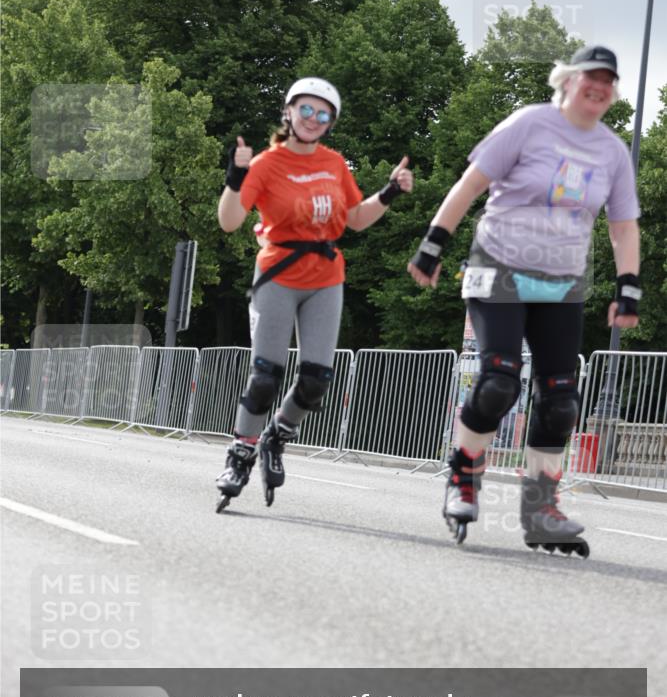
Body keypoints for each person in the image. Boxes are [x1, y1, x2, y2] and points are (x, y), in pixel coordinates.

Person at [408, 46, 641, 554]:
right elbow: (471, 183)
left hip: (562, 282)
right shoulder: (529, 124)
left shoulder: (612, 151)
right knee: (498, 382)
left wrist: (629, 285)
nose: (598, 87)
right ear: (568, 81)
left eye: (608, 80)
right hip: (499, 266)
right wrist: (433, 243)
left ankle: (540, 508)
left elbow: (623, 225)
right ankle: (464, 476)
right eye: (590, 77)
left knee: (560, 401)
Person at [216, 76, 413, 509]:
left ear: (330, 124)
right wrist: (234, 180)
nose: (313, 119)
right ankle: (240, 452)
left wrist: (389, 192)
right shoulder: (267, 164)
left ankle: (277, 436)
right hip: (279, 273)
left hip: (325, 275)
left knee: (316, 380)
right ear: (288, 112)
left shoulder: (334, 163)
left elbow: (355, 219)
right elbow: (230, 222)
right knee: (265, 377)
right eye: (305, 110)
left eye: (323, 115)